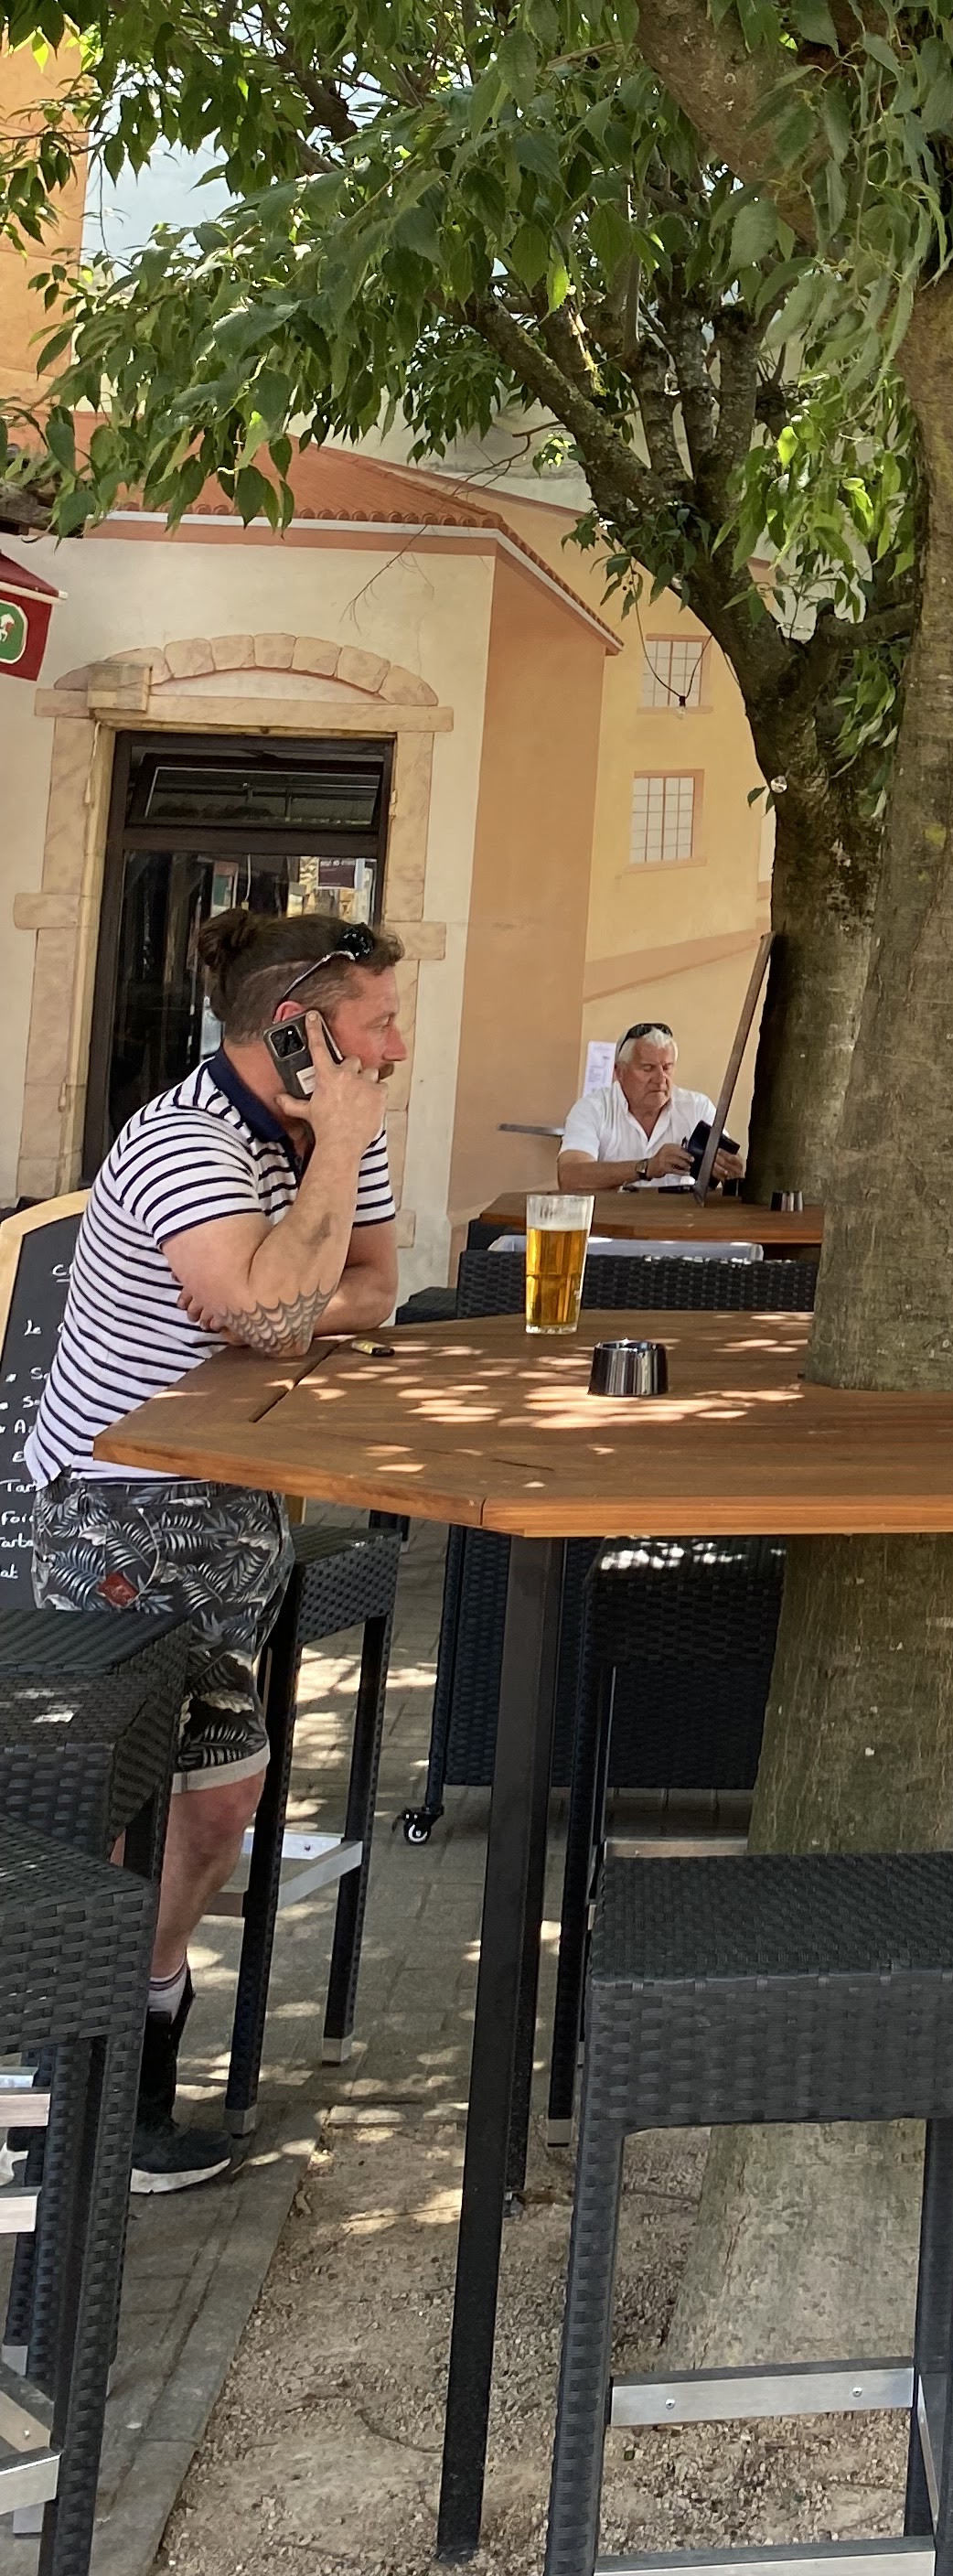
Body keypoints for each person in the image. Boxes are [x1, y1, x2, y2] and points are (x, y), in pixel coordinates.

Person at [26, 907, 406, 2189]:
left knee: (222, 1801)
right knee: (119, 1810)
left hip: (239, 1505)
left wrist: (286, 1286)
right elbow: (274, 1318)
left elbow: (370, 1289)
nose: (396, 1046)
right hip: (117, 1507)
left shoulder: (343, 1129)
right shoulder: (183, 1142)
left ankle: (135, 2047)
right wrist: (283, 1291)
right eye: (378, 1023)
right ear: (300, 1031)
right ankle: (75, 2096)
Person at [557, 1020, 744, 1194]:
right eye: (648, 1068)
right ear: (619, 1072)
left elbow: (728, 1170)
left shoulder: (697, 1107)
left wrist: (732, 1171)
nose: (661, 1078)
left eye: (667, 1067)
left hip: (681, 1217)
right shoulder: (592, 1109)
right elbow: (570, 1177)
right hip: (611, 1218)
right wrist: (646, 1167)